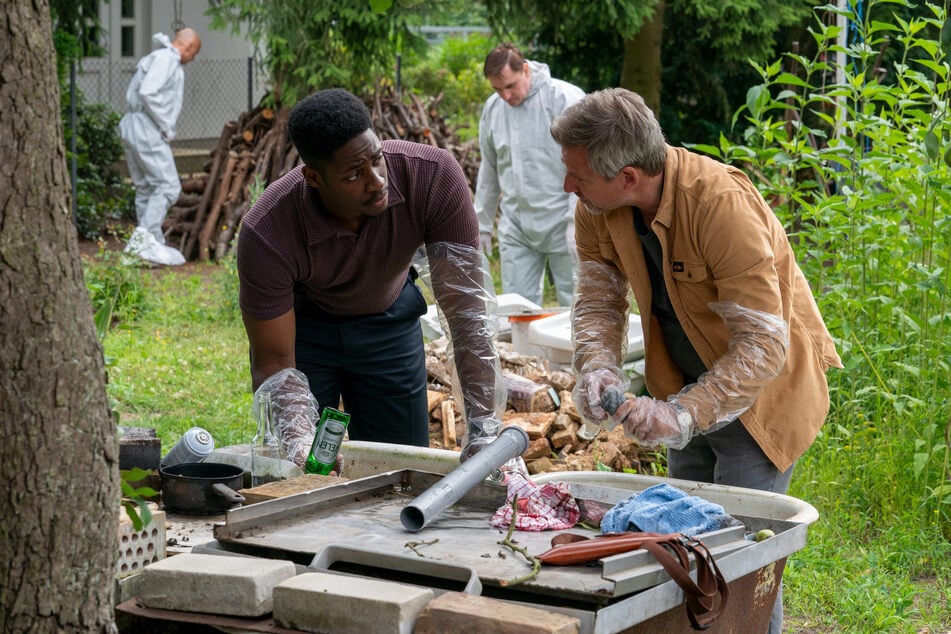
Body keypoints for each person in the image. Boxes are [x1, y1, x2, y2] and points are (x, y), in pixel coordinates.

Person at [550, 88, 842, 634]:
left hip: (761, 398)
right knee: (681, 538)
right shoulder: (598, 206)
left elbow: (761, 347)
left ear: (629, 176)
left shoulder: (718, 205)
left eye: (578, 176)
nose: (569, 186)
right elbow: (597, 298)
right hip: (679, 381)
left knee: (739, 554)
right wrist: (598, 366)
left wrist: (683, 414)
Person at [236, 88, 505, 460]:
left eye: (376, 160)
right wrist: (296, 440)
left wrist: (483, 428)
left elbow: (469, 320)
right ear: (314, 177)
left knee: (402, 461)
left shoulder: (432, 177)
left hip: (389, 320)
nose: (377, 181)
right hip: (306, 332)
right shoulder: (268, 230)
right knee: (307, 464)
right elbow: (274, 364)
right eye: (353, 174)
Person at [474, 43, 584, 307]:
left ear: (525, 69)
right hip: (517, 224)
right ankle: (526, 350)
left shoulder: (565, 99)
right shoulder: (493, 109)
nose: (505, 95)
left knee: (576, 306)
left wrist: (576, 220)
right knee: (517, 308)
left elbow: (587, 166)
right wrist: (482, 224)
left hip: (562, 220)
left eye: (510, 86)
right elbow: (489, 169)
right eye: (497, 89)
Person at [119, 28, 201, 266]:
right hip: (147, 126)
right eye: (194, 54)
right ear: (190, 48)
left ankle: (150, 246)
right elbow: (148, 92)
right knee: (168, 186)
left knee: (146, 187)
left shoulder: (157, 57)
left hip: (133, 123)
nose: (192, 59)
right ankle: (142, 240)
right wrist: (166, 125)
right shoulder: (167, 59)